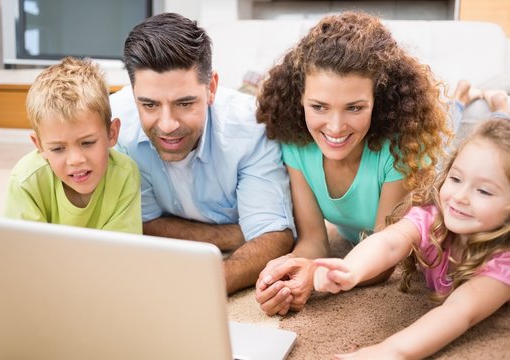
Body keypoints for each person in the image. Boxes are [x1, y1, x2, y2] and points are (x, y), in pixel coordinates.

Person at [255, 11, 452, 316]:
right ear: (300, 100)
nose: (335, 127)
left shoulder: (402, 148)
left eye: (355, 108)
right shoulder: (297, 145)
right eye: (319, 106)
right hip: (356, 241)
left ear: (380, 101)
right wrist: (294, 269)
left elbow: (385, 259)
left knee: (474, 123)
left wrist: (318, 278)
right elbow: (313, 240)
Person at [109, 13, 295, 294]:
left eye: (184, 103)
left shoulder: (252, 128)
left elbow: (275, 237)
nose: (167, 125)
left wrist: (208, 284)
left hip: (237, 112)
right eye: (149, 104)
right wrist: (236, 234)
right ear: (133, 93)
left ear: (211, 88)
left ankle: (253, 81)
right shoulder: (115, 125)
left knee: (265, 95)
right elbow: (141, 225)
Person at [313, 118, 510, 359]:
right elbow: (391, 241)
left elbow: (459, 311)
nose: (460, 197)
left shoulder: (504, 262)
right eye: (456, 179)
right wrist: (351, 268)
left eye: (483, 191)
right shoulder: (434, 216)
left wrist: (389, 352)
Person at [4, 57, 142, 234]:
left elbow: (121, 253)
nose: (76, 160)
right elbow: (23, 253)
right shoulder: (25, 179)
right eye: (58, 148)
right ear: (39, 146)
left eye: (87, 143)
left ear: (112, 133)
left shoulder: (125, 174)